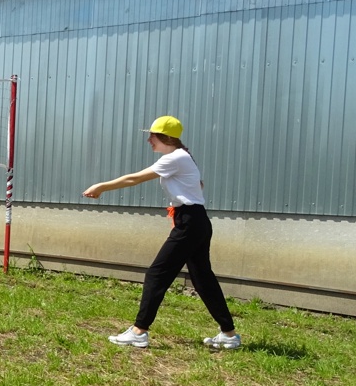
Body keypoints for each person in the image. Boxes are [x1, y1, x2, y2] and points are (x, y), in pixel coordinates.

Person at [82, 115, 240, 350]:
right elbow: (199, 186)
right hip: (194, 221)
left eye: (152, 135)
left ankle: (139, 331)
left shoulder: (175, 158)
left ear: (165, 137)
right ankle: (229, 334)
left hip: (189, 222)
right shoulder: (182, 157)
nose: (149, 140)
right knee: (202, 279)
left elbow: (135, 178)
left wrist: (101, 186)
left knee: (157, 274)